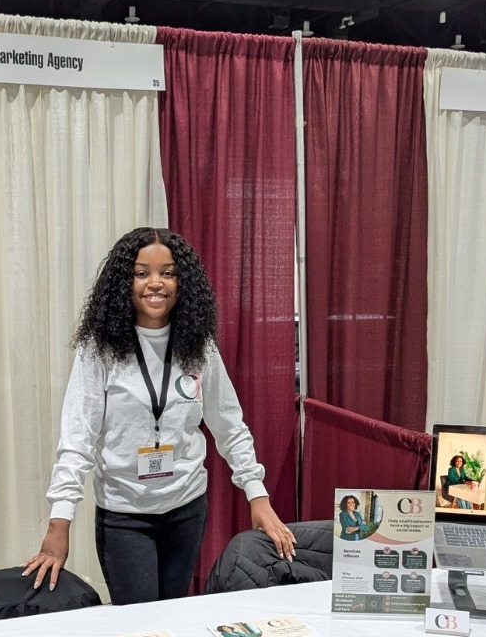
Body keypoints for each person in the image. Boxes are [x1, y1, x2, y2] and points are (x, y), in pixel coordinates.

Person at [23, 227, 294, 605]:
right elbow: (77, 438)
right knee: (140, 624)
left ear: (182, 281)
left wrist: (257, 495)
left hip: (186, 506)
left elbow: (229, 426)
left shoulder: (199, 347)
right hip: (124, 514)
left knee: (173, 617)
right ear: (124, 282)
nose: (156, 283)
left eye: (167, 272)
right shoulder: (99, 350)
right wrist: (59, 520)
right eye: (141, 273)